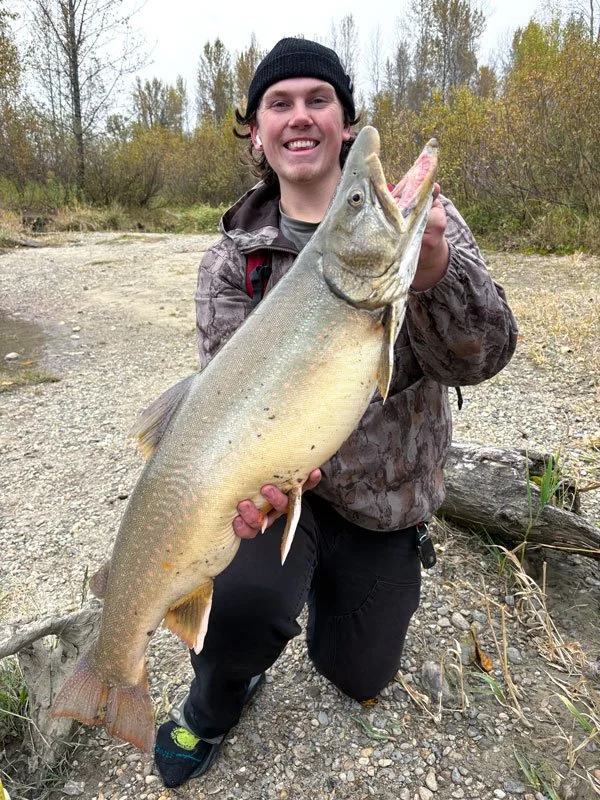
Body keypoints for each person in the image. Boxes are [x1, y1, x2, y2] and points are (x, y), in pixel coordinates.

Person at [153, 37, 518, 788]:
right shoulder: (232, 259)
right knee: (241, 606)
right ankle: (218, 698)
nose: (300, 116)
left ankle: (335, 600)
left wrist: (436, 273)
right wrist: (259, 486)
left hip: (386, 504)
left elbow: (482, 359)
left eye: (319, 99)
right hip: (290, 487)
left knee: (357, 669)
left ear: (346, 123)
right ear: (254, 132)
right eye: (277, 104)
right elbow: (217, 409)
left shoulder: (422, 228)